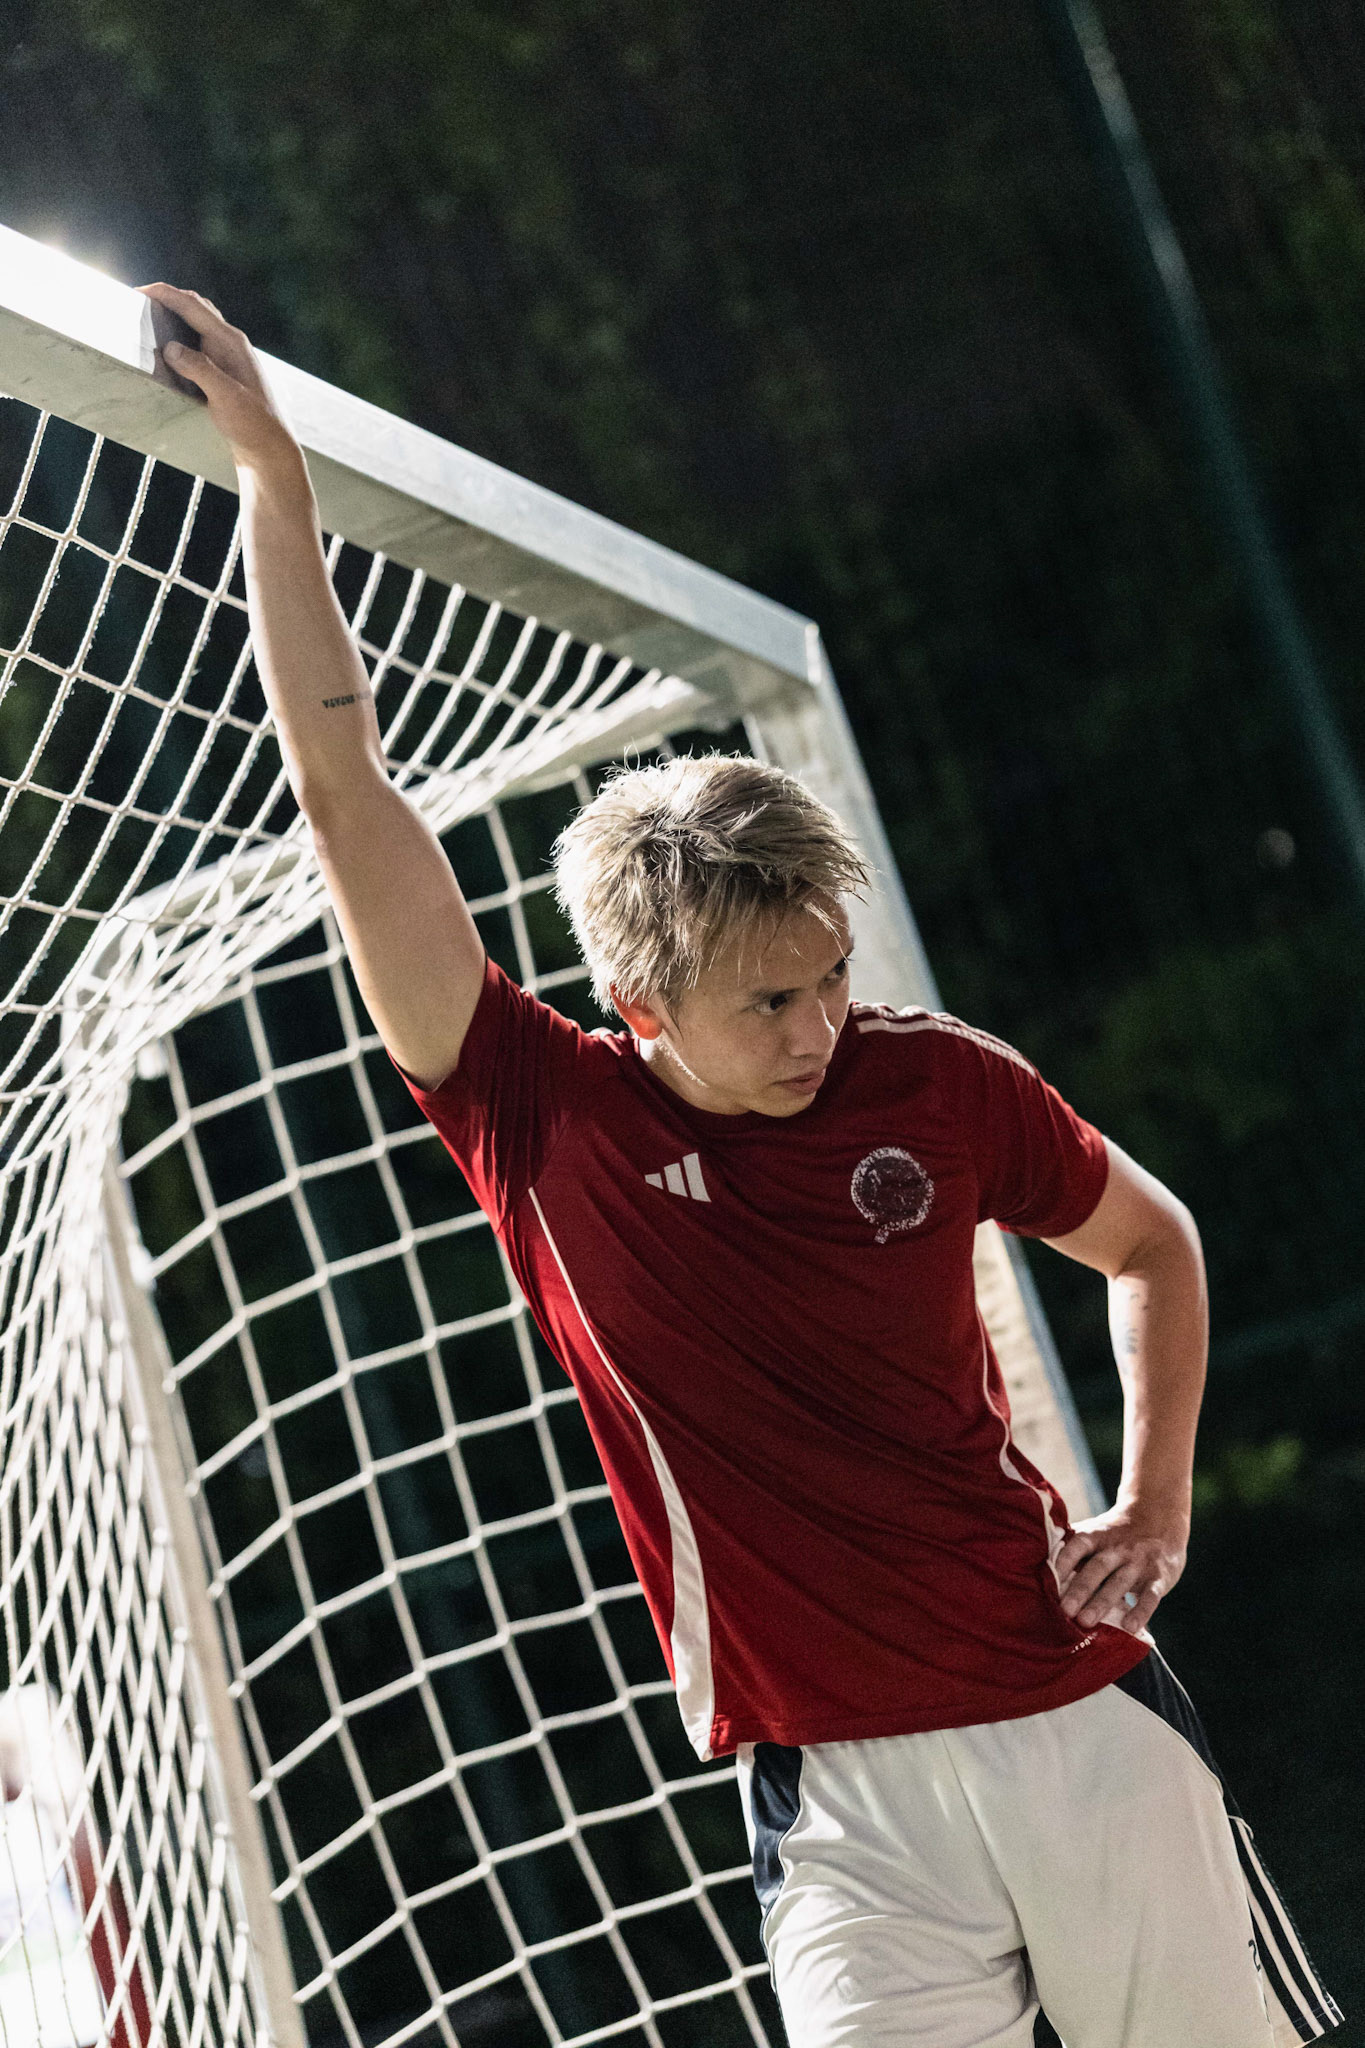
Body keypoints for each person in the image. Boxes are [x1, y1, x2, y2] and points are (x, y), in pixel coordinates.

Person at [140, 282, 1342, 2048]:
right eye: (770, 997)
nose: (820, 1021)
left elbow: (1149, 1243)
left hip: (1076, 1725)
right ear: (636, 1002)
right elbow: (343, 791)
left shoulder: (939, 1089)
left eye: (831, 972)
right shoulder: (540, 1112)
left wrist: (1152, 1503)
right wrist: (271, 474)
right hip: (837, 1810)